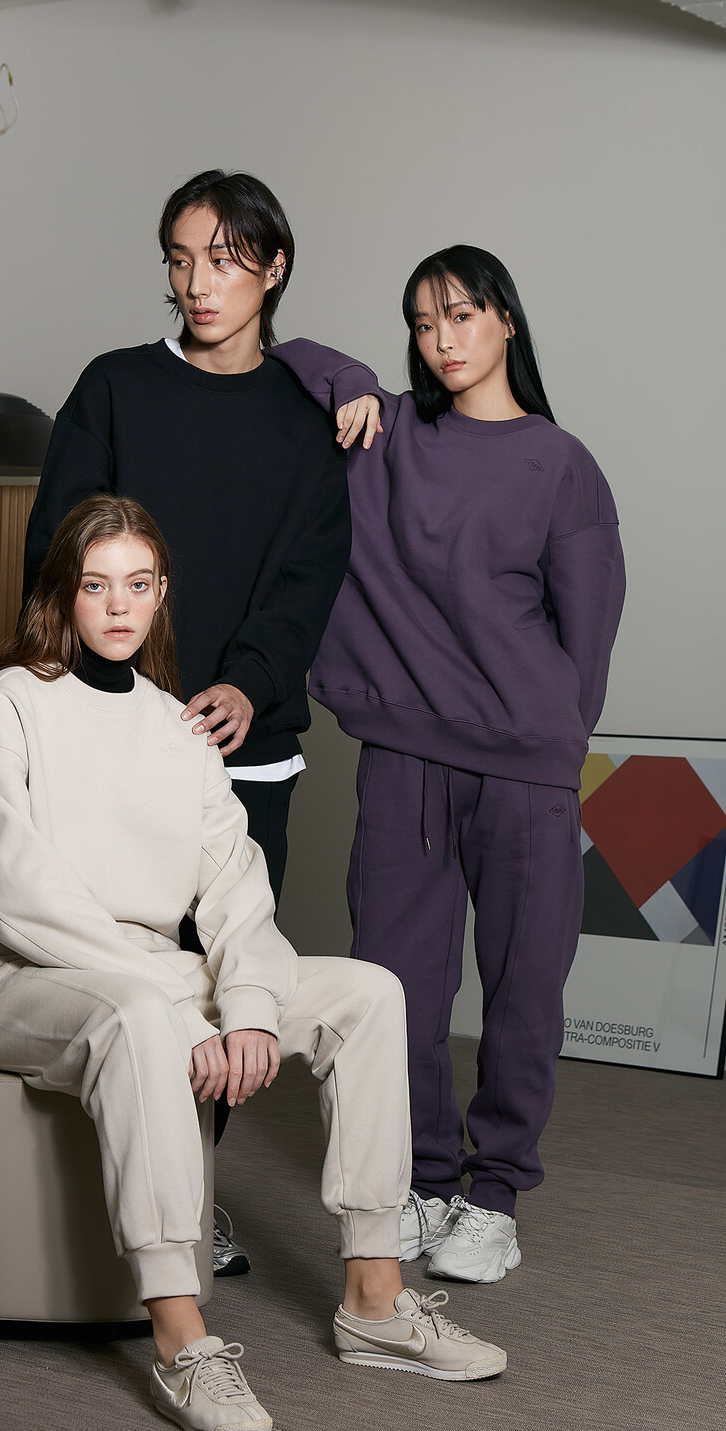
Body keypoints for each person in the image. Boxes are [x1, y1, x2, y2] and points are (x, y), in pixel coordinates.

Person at [0, 495, 507, 1431]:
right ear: (62, 594)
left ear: (160, 595)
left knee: (368, 993)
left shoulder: (176, 728)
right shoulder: (13, 701)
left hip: (134, 969)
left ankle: (375, 1298)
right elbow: (20, 896)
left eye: (137, 585)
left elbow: (237, 891)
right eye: (95, 585)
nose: (117, 606)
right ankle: (180, 1337)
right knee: (143, 1014)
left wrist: (251, 1010)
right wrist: (188, 1017)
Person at [272, 246, 625, 1284]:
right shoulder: (384, 434)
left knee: (523, 988)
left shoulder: (560, 464)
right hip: (402, 761)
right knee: (396, 986)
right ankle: (424, 1179)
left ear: (506, 319)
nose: (441, 340)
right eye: (422, 324)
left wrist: (543, 739)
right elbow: (283, 352)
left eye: (462, 315)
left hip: (525, 768)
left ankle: (495, 1192)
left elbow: (589, 634)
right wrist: (349, 381)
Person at [23, 168, 352, 1272]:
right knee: (117, 980)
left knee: (224, 985)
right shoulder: (115, 388)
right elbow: (61, 554)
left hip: (242, 757)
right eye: (179, 259)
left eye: (223, 259)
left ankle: (189, 1192)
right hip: (109, 742)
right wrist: (108, 703)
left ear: (274, 267)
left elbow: (307, 582)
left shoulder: (306, 427)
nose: (197, 283)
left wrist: (248, 684)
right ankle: (108, 1203)